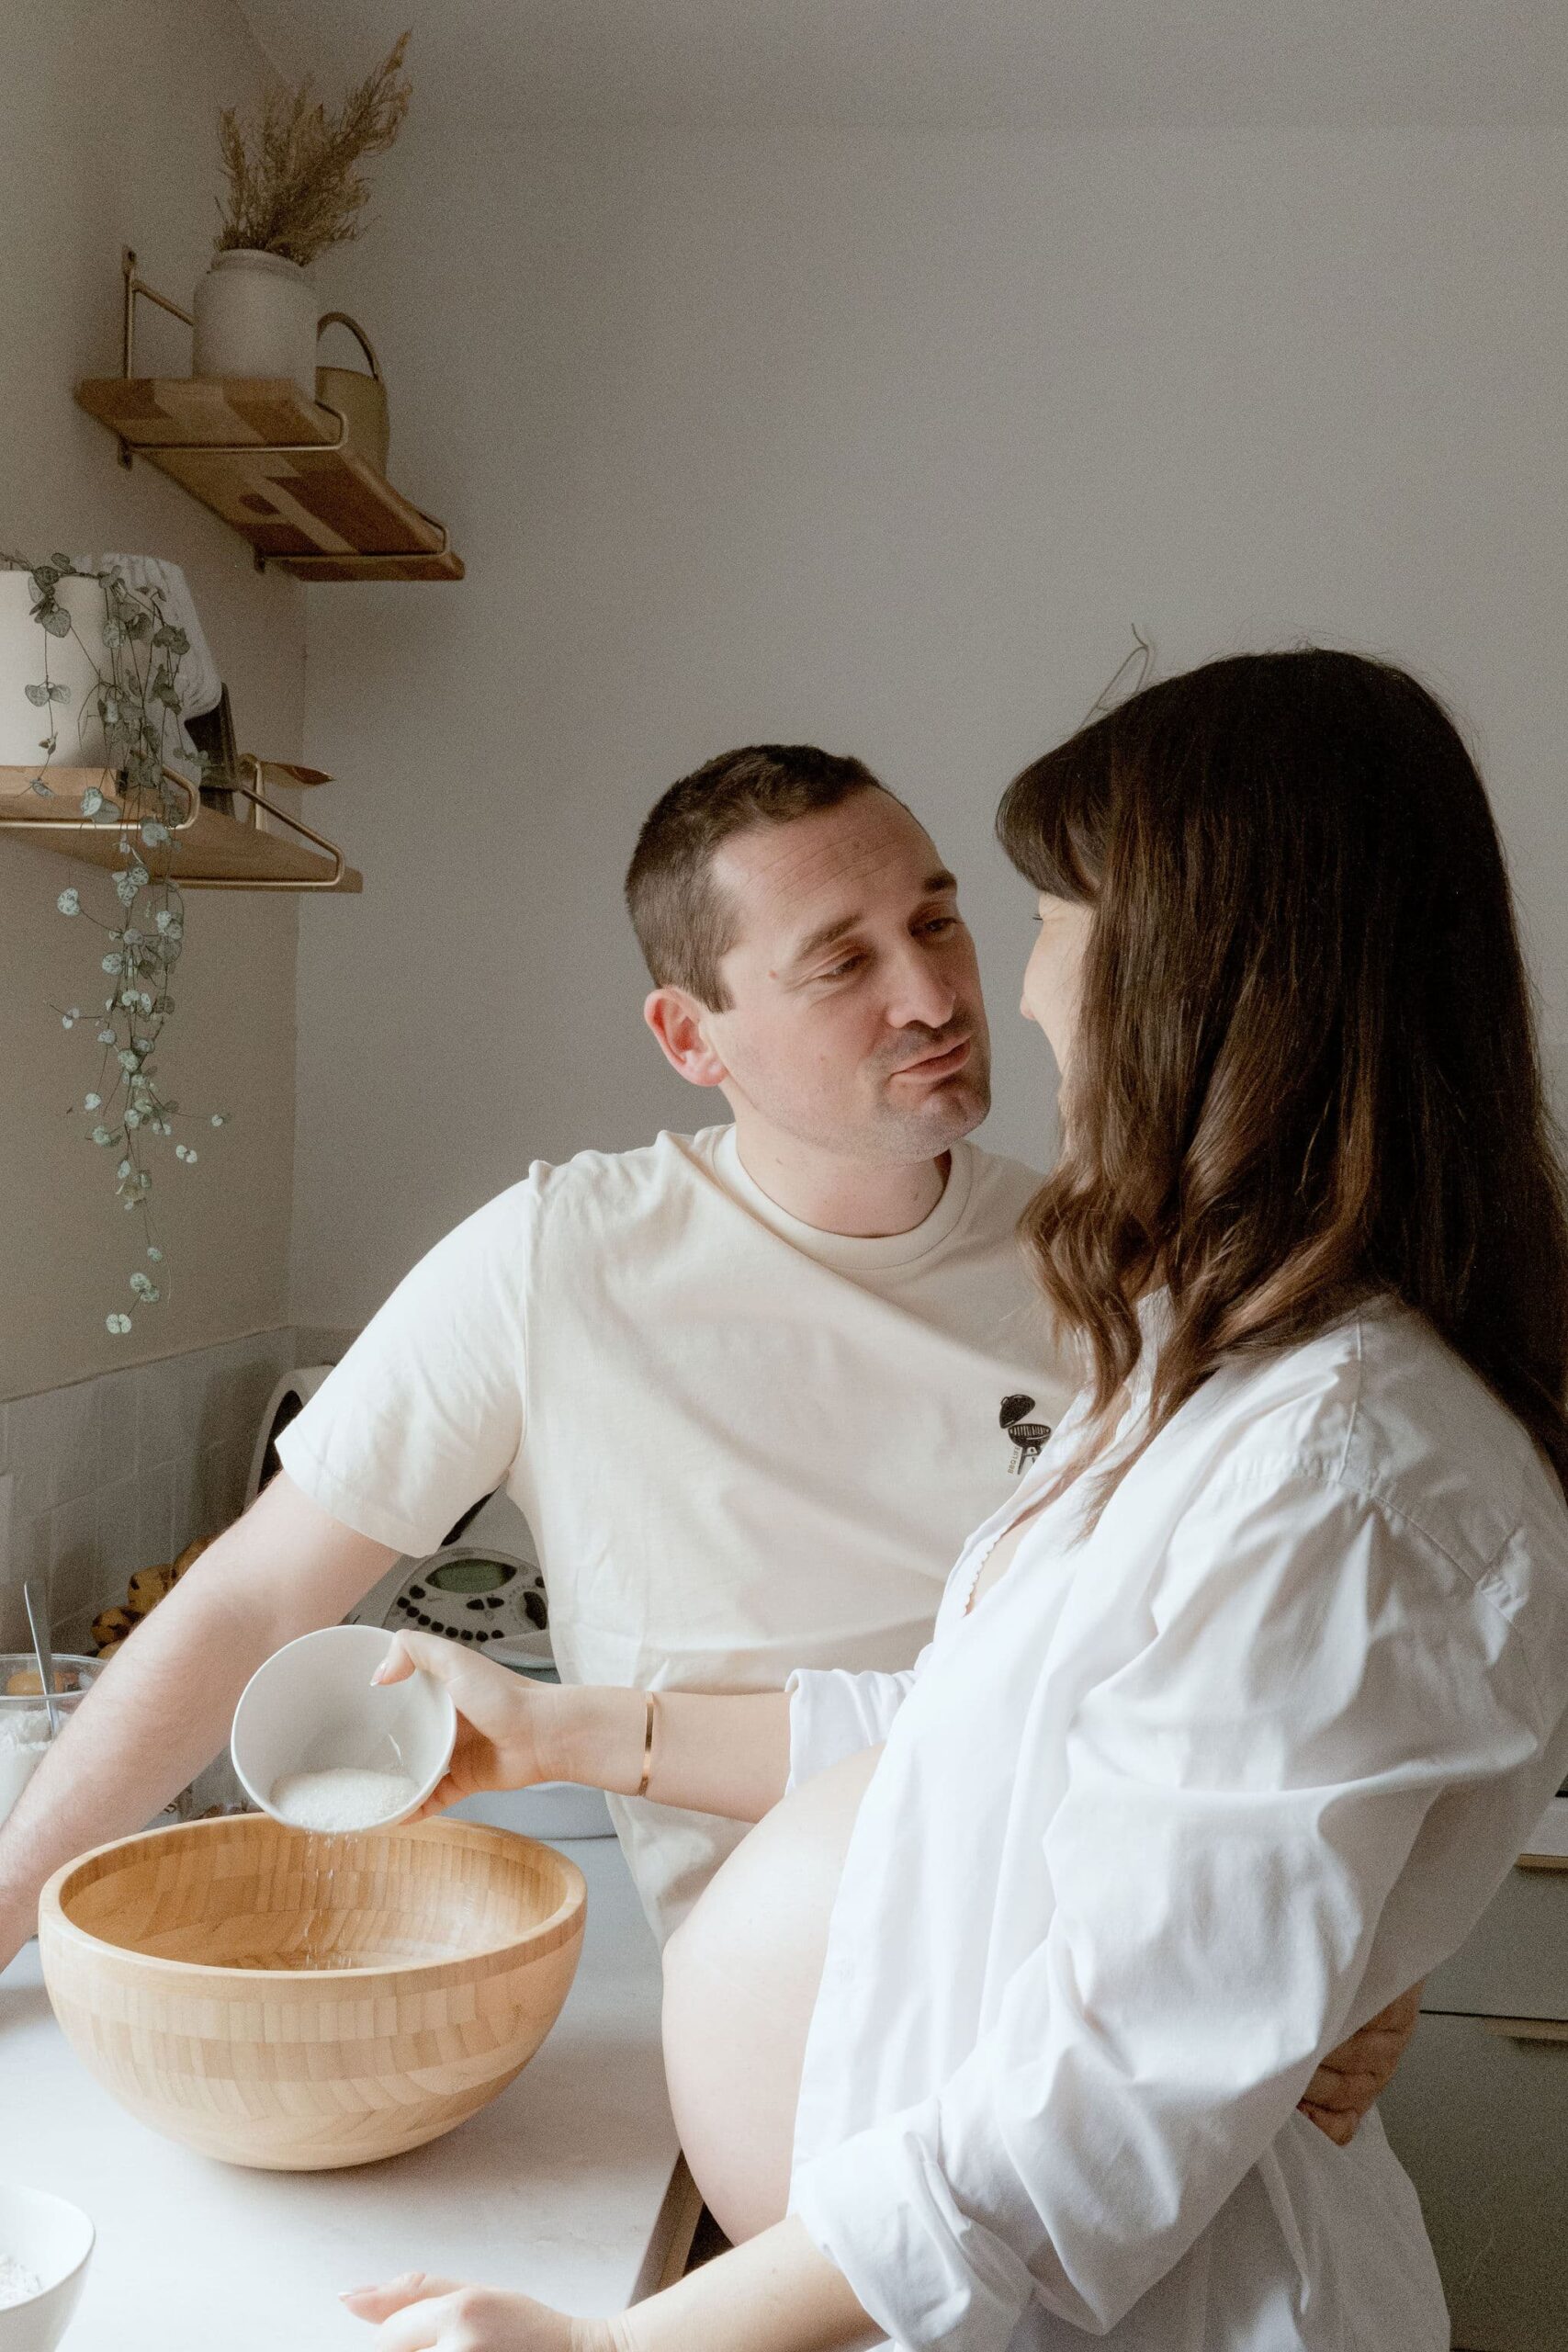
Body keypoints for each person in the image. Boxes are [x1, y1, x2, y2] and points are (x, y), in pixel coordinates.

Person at [334, 649, 1568, 2352]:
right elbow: (979, 1748)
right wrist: (559, 1735)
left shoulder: (1342, 1469)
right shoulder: (1230, 1380)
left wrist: (613, 2349)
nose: (1020, 987)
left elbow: (1097, 2122)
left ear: (1201, 970)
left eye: (1041, 913)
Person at [0, 743, 1405, 2147]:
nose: (930, 998)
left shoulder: (1112, 1280)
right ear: (692, 1037)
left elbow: (1269, 1682)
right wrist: (5, 1907)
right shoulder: (558, 1263)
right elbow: (256, 1598)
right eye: (838, 966)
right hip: (807, 2073)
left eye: (934, 920)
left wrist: (1377, 1952)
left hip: (1122, 2040)